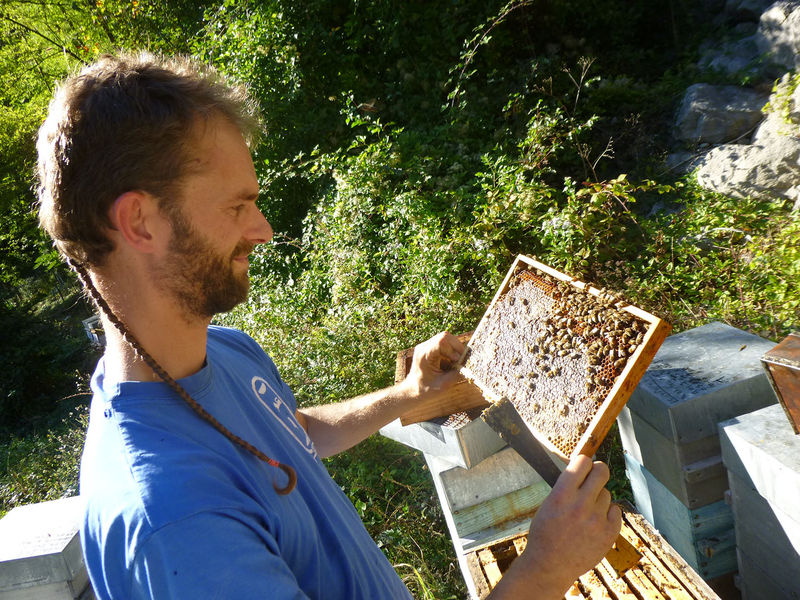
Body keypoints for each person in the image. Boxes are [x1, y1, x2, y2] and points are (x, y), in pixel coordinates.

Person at [36, 52, 621, 599]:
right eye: (237, 206)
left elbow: (293, 433)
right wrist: (545, 568)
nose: (262, 230)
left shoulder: (223, 353)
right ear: (139, 221)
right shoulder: (177, 520)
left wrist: (406, 394)